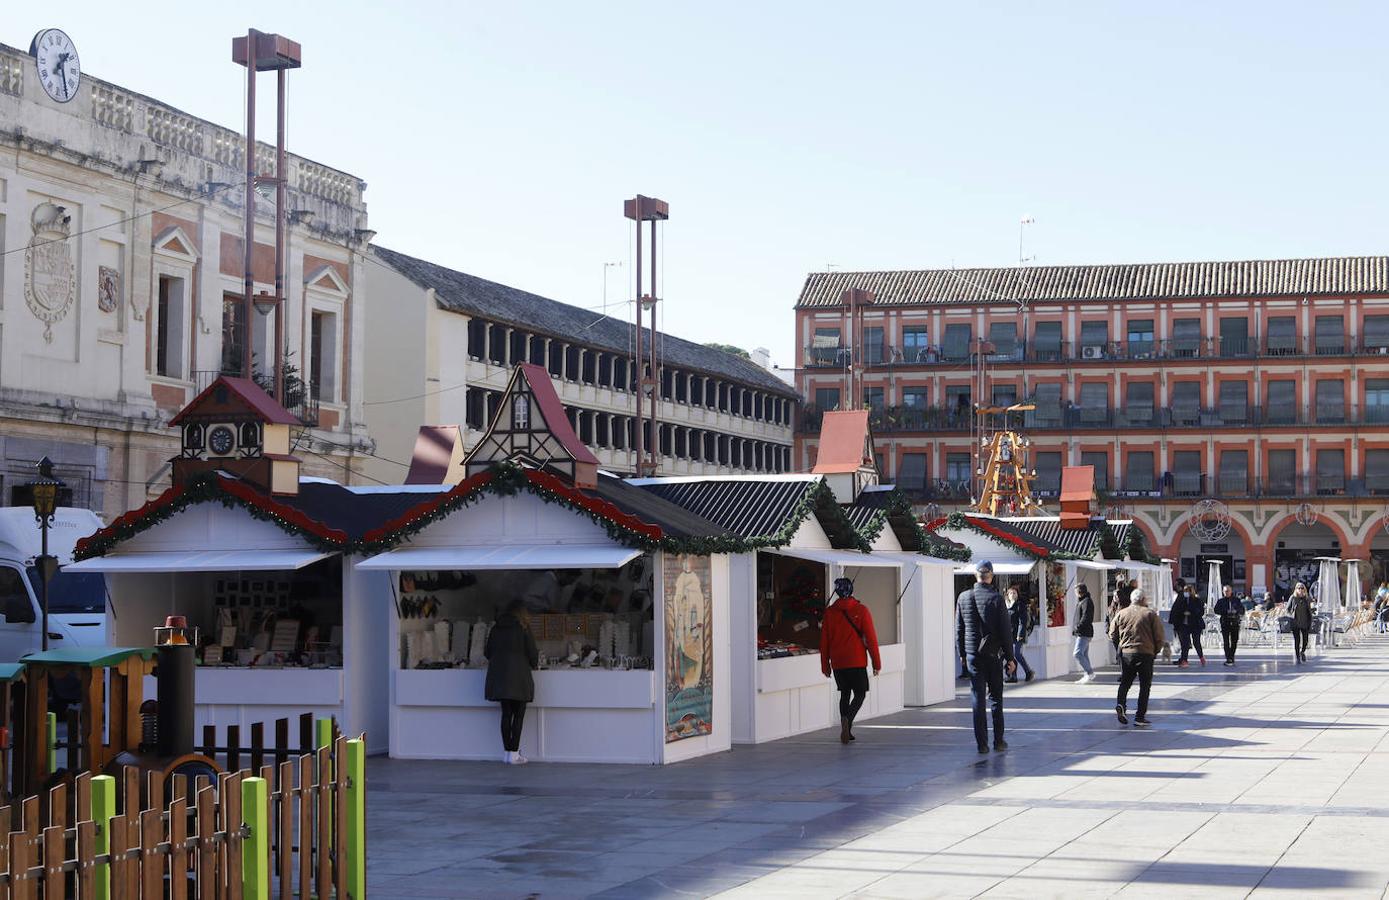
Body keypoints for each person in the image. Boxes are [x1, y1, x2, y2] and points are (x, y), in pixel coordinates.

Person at [956, 561, 1017, 754]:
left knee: (977, 698)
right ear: (990, 576)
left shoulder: (963, 597)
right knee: (996, 698)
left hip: (973, 654)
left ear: (976, 575)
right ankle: (998, 740)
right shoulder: (996, 598)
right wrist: (1010, 657)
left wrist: (962, 654)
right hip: (992, 655)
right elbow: (1006, 631)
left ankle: (981, 744)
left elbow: (959, 629)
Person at [821, 577, 882, 744]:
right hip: (856, 661)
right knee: (860, 694)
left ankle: (845, 727)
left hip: (838, 663)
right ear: (851, 590)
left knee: (844, 694)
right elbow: (870, 639)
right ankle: (848, 721)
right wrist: (877, 663)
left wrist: (825, 665)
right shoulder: (861, 610)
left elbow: (824, 641)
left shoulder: (829, 612)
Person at [485, 598, 539, 764]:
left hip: (500, 677)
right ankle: (514, 753)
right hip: (519, 677)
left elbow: (488, 652)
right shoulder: (523, 629)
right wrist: (534, 664)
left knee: (506, 714)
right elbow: (532, 654)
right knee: (519, 716)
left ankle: (507, 753)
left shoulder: (495, 629)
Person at [1108, 587, 1165, 727]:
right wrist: (1155, 651)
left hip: (1127, 654)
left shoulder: (1122, 613)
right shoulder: (1150, 614)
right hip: (1146, 654)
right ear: (1143, 599)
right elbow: (1159, 636)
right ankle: (1140, 716)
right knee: (1145, 686)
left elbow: (1112, 633)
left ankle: (1121, 704)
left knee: (1125, 683)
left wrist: (1121, 644)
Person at [1168, 582, 1207, 668]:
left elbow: (1200, 612)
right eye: (1185, 591)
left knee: (1196, 642)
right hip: (1184, 624)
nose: (1186, 593)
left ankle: (1201, 657)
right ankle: (1184, 660)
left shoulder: (1197, 600)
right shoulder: (1181, 600)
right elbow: (1176, 610)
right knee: (1184, 644)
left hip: (1195, 624)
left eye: (1188, 591)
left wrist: (1191, 612)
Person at [1004, 586, 1036, 683]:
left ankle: (1028, 671)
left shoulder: (1020, 605)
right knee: (1011, 655)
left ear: (1017, 595)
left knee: (1016, 654)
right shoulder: (1006, 606)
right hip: (1008, 634)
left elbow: (1023, 621)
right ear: (1007, 595)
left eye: (1014, 593)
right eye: (1010, 593)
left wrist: (1020, 634)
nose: (1012, 595)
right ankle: (1013, 676)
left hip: (1017, 634)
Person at [1214, 584, 1243, 667]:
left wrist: (1236, 611)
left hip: (1235, 622)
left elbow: (1242, 610)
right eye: (1225, 591)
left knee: (1234, 641)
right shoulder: (1221, 601)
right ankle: (1228, 658)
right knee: (1226, 641)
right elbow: (1216, 610)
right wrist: (1226, 611)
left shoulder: (1236, 600)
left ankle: (1232, 656)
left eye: (1228, 591)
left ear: (1231, 591)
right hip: (1225, 622)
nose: (1227, 593)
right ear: (1223, 592)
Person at [1073, 584, 1096, 683]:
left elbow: (1086, 617)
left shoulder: (1086, 601)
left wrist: (1078, 627)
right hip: (1083, 632)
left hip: (1084, 632)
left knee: (1077, 653)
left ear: (1079, 592)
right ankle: (1087, 675)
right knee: (1084, 655)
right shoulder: (1082, 601)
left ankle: (1090, 672)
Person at [1287, 581, 1314, 663]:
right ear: (1296, 589)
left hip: (1305, 622)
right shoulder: (1293, 597)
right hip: (1295, 622)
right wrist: (1291, 614)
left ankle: (1302, 652)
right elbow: (1287, 609)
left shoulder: (1307, 598)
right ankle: (1297, 656)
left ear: (1304, 589)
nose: (1301, 590)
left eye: (1302, 588)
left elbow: (1310, 608)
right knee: (1297, 640)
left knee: (1305, 640)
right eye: (1299, 588)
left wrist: (1312, 610)